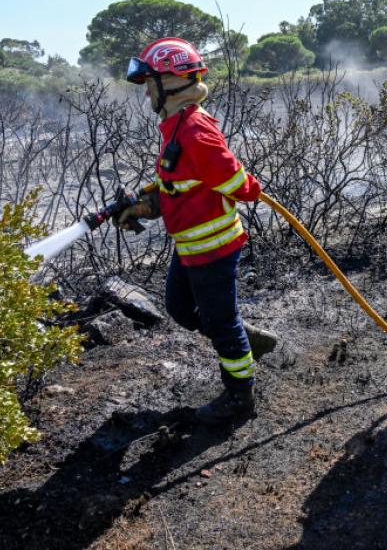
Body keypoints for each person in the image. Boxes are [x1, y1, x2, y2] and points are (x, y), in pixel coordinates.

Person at [116, 37, 277, 424]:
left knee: (220, 323)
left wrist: (251, 189)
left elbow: (232, 178)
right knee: (179, 309)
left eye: (151, 83)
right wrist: (145, 203)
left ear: (170, 83)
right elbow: (182, 184)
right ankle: (244, 339)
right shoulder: (174, 128)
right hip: (190, 245)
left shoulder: (193, 130)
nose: (148, 92)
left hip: (214, 247)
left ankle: (240, 397)